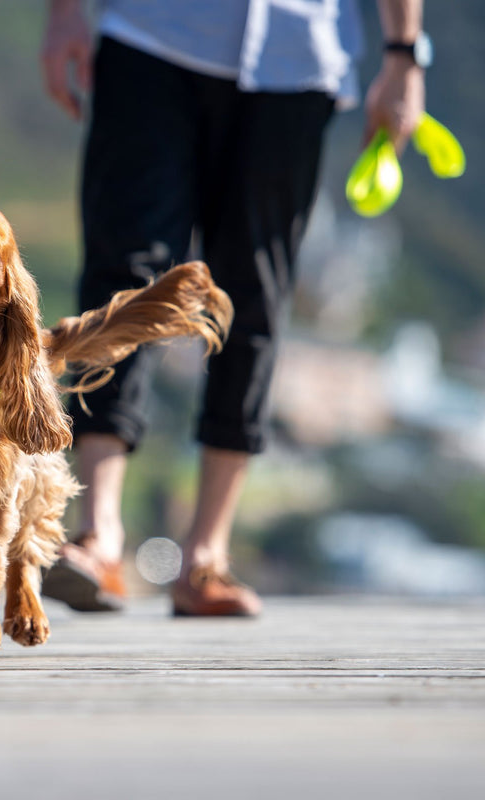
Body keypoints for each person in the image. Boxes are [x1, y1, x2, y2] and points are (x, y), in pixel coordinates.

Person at [39, 0, 427, 616]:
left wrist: (405, 54)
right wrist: (64, 12)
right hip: (153, 32)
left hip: (296, 56)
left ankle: (205, 556)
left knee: (252, 293)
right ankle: (98, 532)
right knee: (126, 273)